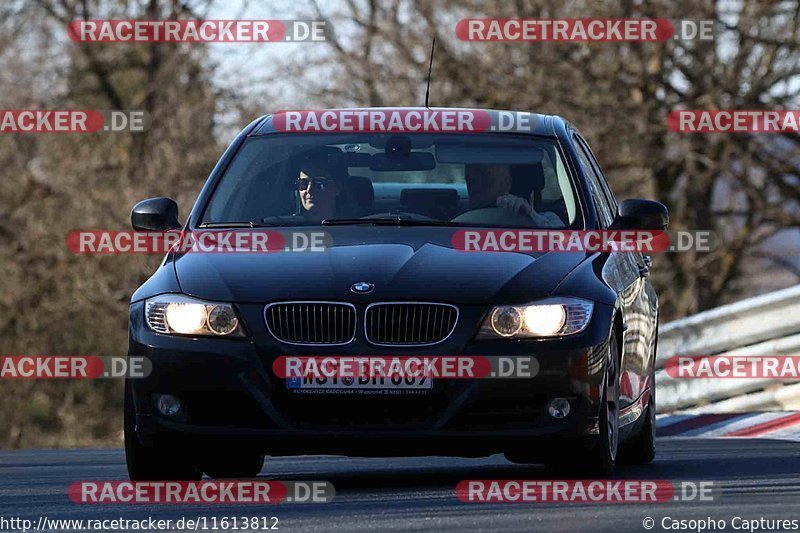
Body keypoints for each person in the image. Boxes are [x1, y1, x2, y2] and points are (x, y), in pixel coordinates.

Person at [463, 163, 562, 227]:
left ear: (507, 183)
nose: (476, 187)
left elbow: (564, 242)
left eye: (486, 181)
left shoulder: (547, 219)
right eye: (471, 180)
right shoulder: (452, 218)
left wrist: (530, 215)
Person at [296, 156, 342, 221]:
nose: (309, 190)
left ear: (337, 188)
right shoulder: (285, 227)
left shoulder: (354, 228)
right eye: (303, 183)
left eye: (319, 183)